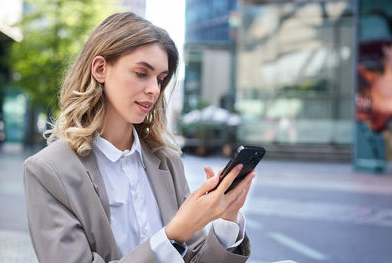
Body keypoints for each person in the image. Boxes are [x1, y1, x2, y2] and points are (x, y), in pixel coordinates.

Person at [23, 12, 254, 263]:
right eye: (142, 73)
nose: (154, 89)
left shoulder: (167, 162)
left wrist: (227, 220)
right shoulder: (48, 171)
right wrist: (174, 234)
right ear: (101, 69)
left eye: (161, 79)